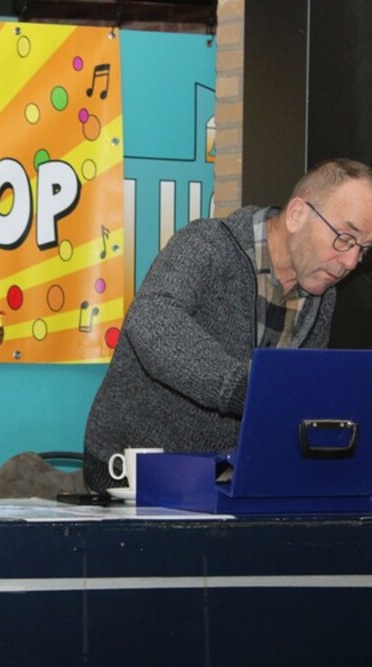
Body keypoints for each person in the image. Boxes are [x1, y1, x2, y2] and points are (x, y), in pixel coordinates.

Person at [84, 158, 372, 492]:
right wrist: (244, 389)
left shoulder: (323, 293)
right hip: (129, 468)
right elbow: (152, 317)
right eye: (345, 238)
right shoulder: (207, 243)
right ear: (297, 215)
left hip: (224, 479)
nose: (351, 262)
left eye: (364, 249)